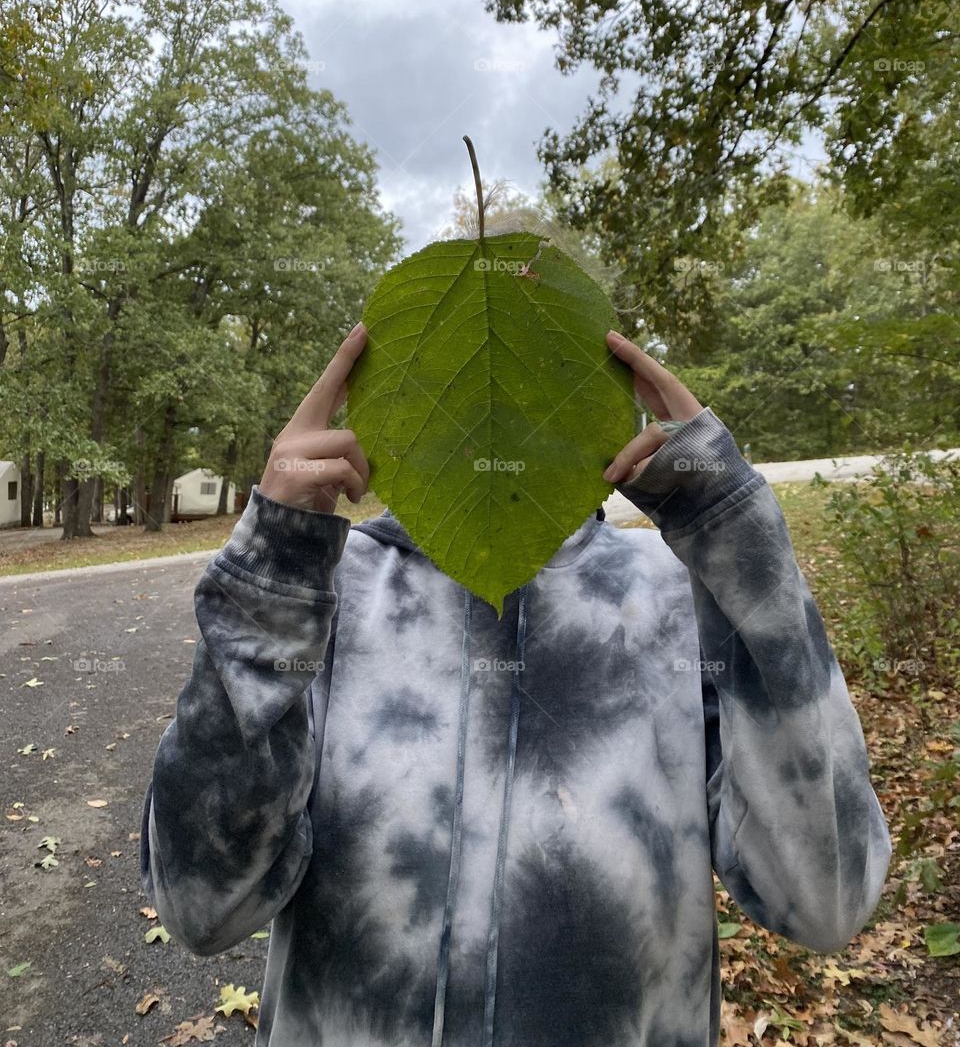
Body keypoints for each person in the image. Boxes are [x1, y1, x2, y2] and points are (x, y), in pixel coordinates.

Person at [140, 321, 892, 1047]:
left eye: (540, 367)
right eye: (453, 376)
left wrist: (733, 526)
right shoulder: (326, 596)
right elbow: (201, 907)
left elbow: (824, 901)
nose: (495, 404)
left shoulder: (673, 598)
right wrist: (275, 560)